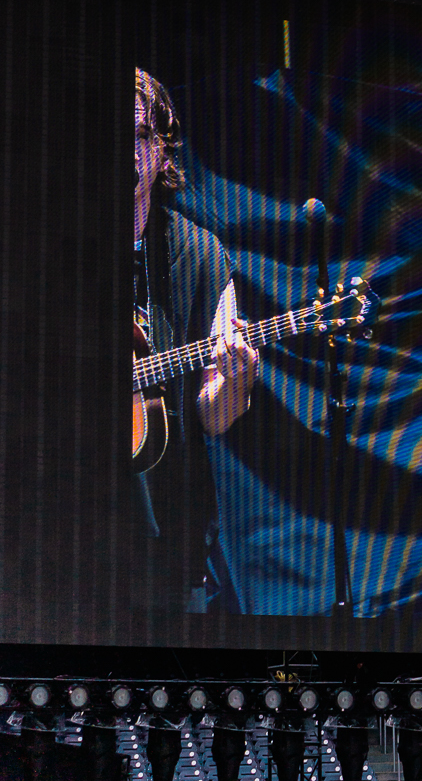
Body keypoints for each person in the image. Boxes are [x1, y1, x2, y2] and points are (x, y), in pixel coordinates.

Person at [134, 68, 260, 613]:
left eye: (139, 136)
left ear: (162, 152)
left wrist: (239, 378)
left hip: (165, 532)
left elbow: (215, 415)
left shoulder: (203, 255)